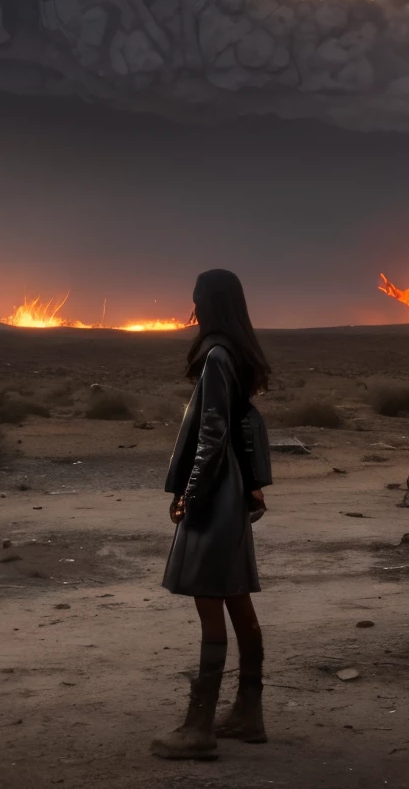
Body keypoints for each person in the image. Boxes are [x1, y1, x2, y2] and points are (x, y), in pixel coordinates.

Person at [152, 267, 273, 760]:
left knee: (209, 598)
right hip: (231, 491)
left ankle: (199, 726)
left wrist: (190, 496)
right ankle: (248, 713)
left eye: (197, 299)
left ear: (211, 303)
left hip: (215, 495)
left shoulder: (217, 356)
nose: (194, 307)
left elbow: (213, 434)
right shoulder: (234, 352)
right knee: (235, 595)